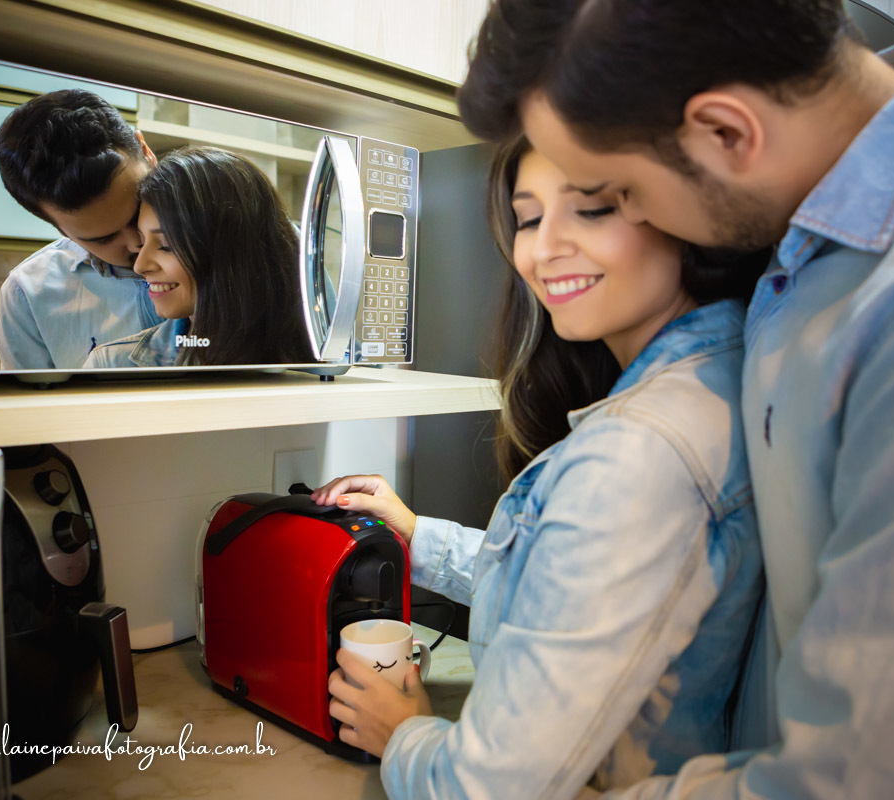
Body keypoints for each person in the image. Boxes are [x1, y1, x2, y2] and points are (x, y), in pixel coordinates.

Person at [456, 1, 894, 798]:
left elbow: (862, 782)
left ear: (728, 134)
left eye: (616, 191)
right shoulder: (812, 248)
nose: (630, 219)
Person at [314, 135, 769, 799]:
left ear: (683, 211)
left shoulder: (636, 451)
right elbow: (580, 590)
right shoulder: (718, 375)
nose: (544, 247)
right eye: (528, 218)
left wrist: (404, 733)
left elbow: (489, 788)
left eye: (591, 209)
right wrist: (419, 539)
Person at [84, 146, 314, 368]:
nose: (140, 266)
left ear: (232, 250)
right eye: (142, 242)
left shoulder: (324, 360)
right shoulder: (112, 364)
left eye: (165, 245)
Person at [0, 89, 162, 369]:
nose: (137, 244)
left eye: (137, 212)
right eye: (104, 239)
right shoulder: (28, 297)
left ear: (147, 153)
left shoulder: (233, 242)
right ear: (59, 229)